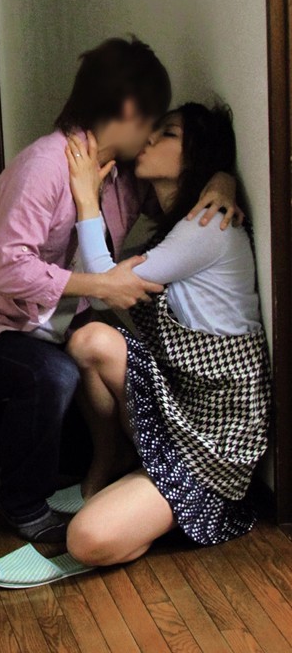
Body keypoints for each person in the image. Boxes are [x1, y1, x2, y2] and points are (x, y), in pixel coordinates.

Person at [0, 38, 241, 543]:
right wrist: (99, 284)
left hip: (55, 330)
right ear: (127, 112)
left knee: (78, 418)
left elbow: (178, 192)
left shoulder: (126, 175)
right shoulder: (44, 166)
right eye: (152, 121)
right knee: (53, 377)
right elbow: (7, 269)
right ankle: (21, 505)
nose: (151, 136)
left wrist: (222, 179)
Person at [57, 103, 270, 566]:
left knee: (86, 540)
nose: (150, 139)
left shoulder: (207, 226)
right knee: (90, 339)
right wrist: (223, 179)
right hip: (180, 402)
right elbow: (108, 288)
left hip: (216, 440)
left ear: (197, 157)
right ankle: (111, 463)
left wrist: (86, 197)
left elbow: (105, 284)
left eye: (168, 134)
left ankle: (167, 504)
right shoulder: (184, 225)